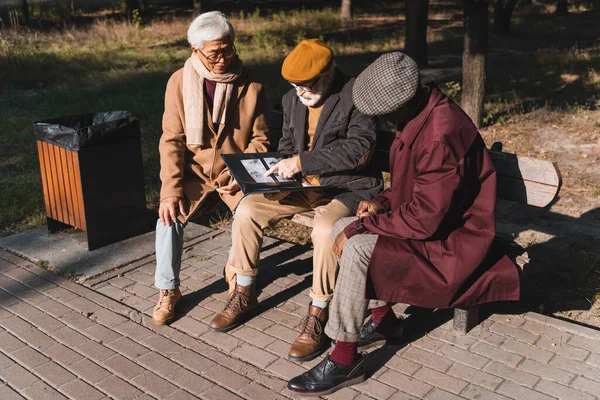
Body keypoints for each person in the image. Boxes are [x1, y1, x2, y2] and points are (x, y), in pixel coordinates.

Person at [287, 52, 521, 396]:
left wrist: (363, 227)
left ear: (400, 103)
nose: (379, 121)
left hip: (451, 244)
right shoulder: (419, 115)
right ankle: (386, 323)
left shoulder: (440, 134)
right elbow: (417, 187)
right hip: (431, 224)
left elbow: (426, 219)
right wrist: (380, 203)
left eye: (381, 115)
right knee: (340, 229)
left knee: (355, 245)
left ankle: (344, 358)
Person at [209, 39, 383, 363]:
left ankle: (318, 311)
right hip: (301, 186)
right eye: (294, 86)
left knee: (323, 229)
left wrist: (301, 163)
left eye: (305, 86)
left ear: (326, 78)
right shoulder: (293, 99)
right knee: (247, 208)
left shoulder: (357, 96)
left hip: (346, 188)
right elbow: (287, 146)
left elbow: (359, 150)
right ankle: (244, 291)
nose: (299, 93)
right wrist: (258, 176)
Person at [152, 11, 269, 326]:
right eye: (215, 53)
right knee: (168, 216)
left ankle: (237, 273)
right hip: (195, 174)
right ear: (196, 51)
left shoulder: (251, 83)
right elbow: (172, 141)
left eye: (228, 49)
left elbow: (260, 140)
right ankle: (168, 290)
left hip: (235, 174)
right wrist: (170, 190)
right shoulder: (179, 82)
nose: (223, 58)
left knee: (249, 212)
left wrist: (240, 171)